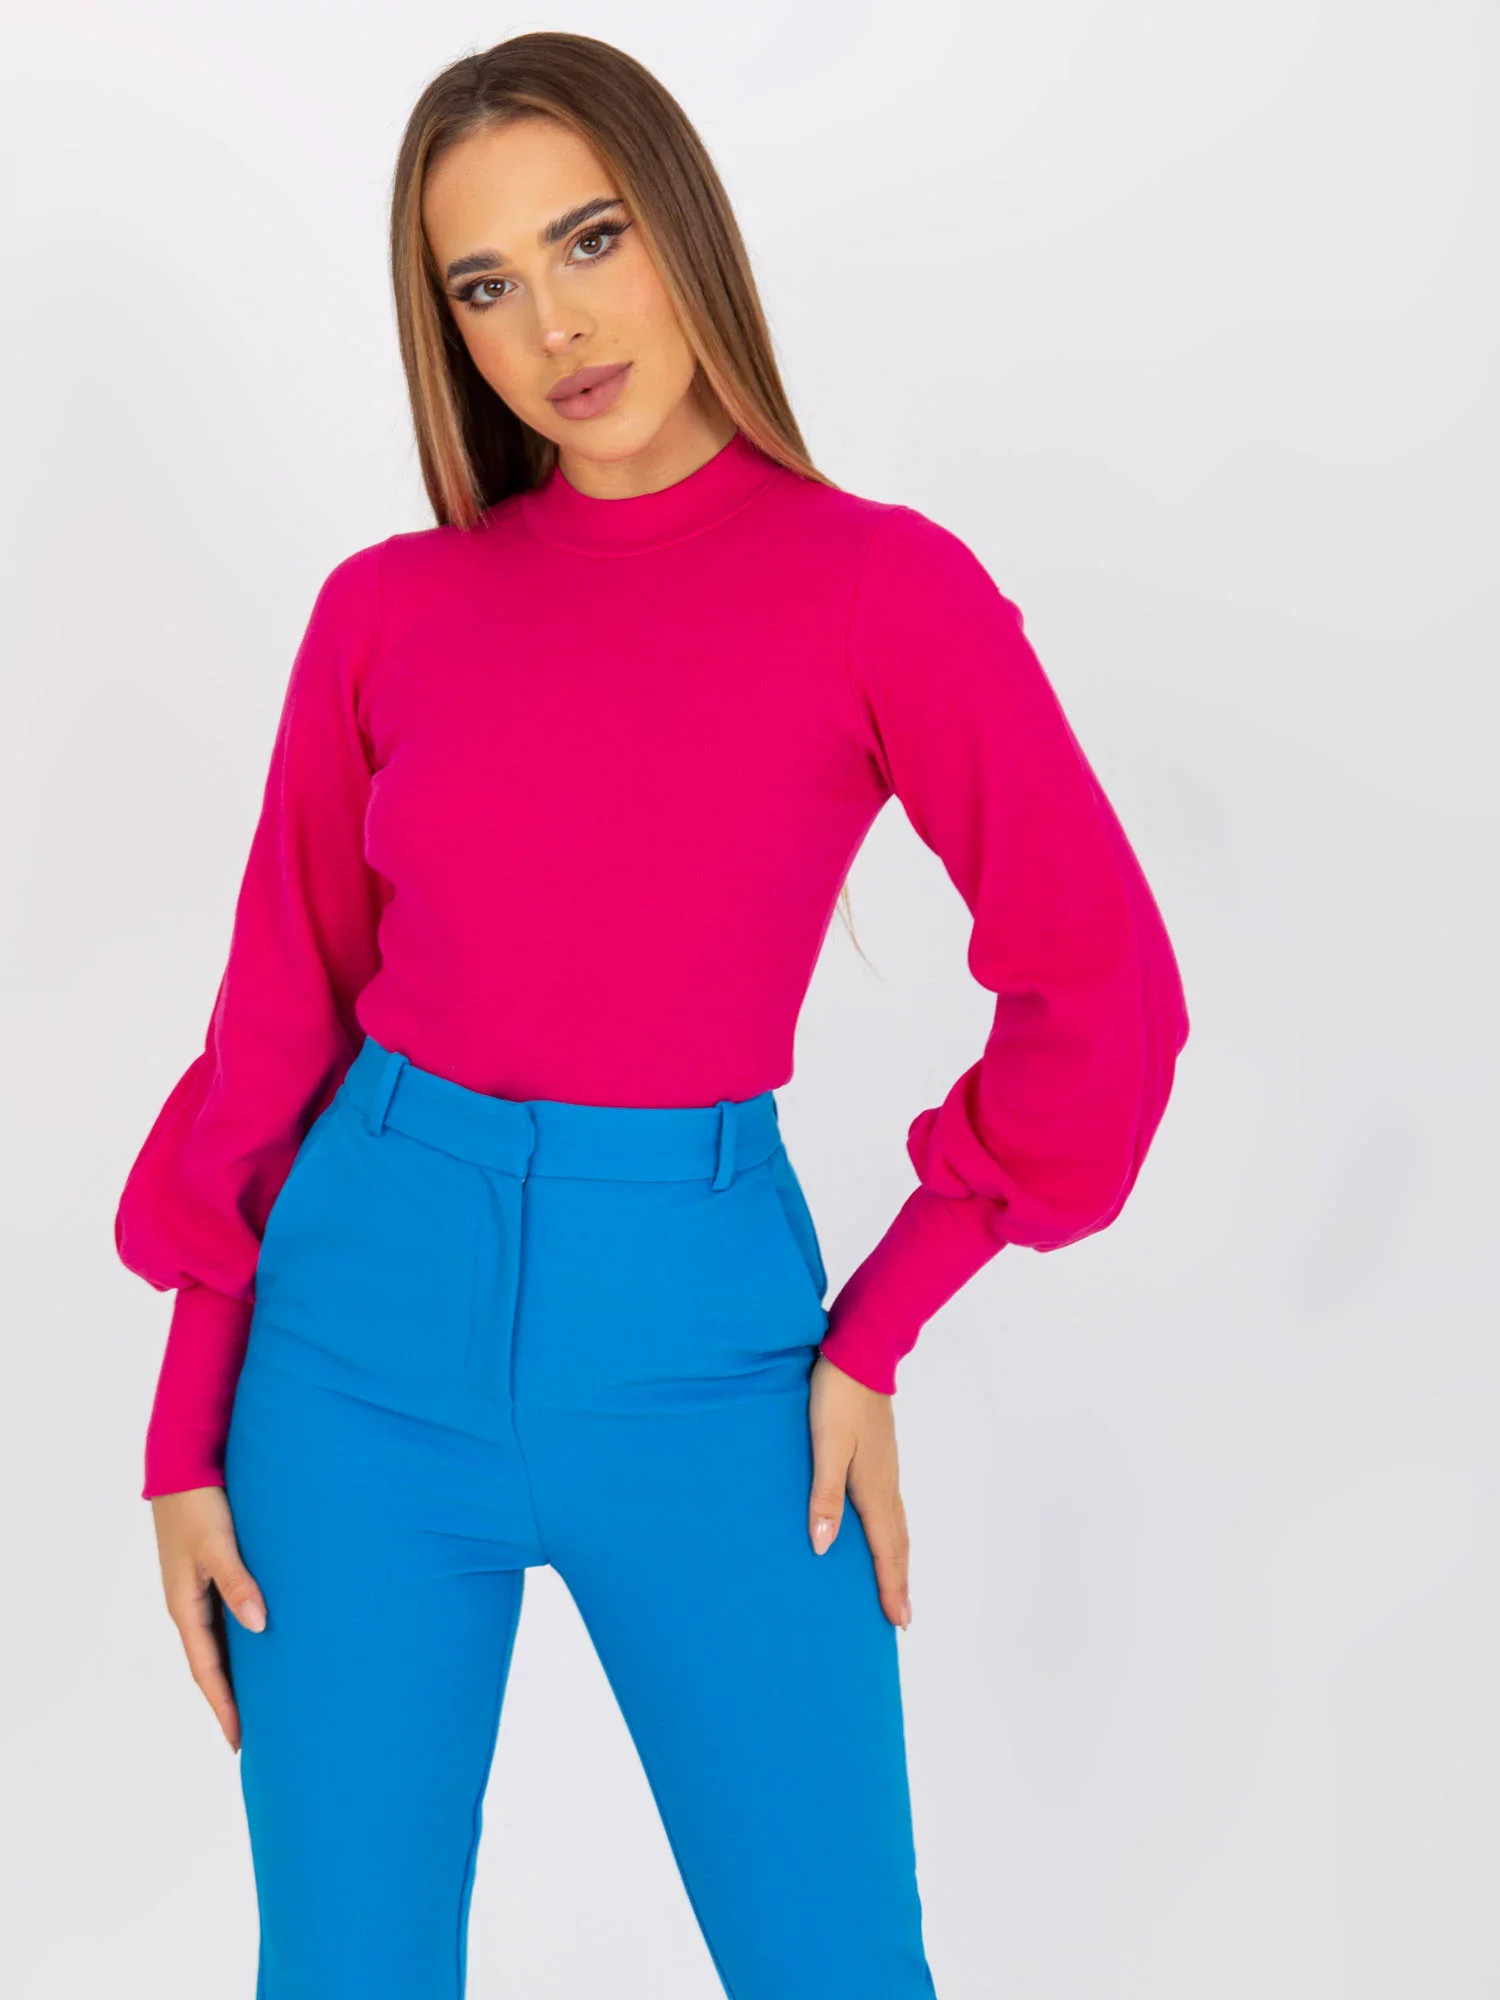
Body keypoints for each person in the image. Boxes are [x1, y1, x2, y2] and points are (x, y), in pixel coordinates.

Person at [114, 29, 1190, 2000]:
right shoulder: (387, 610)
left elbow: (1104, 989)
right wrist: (187, 1430)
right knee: (344, 1970)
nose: (555, 325)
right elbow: (280, 1018)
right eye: (485, 283)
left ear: (684, 219)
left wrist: (880, 1322)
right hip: (352, 1354)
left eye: (591, 238)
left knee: (837, 1964)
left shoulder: (886, 592)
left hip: (707, 1353)